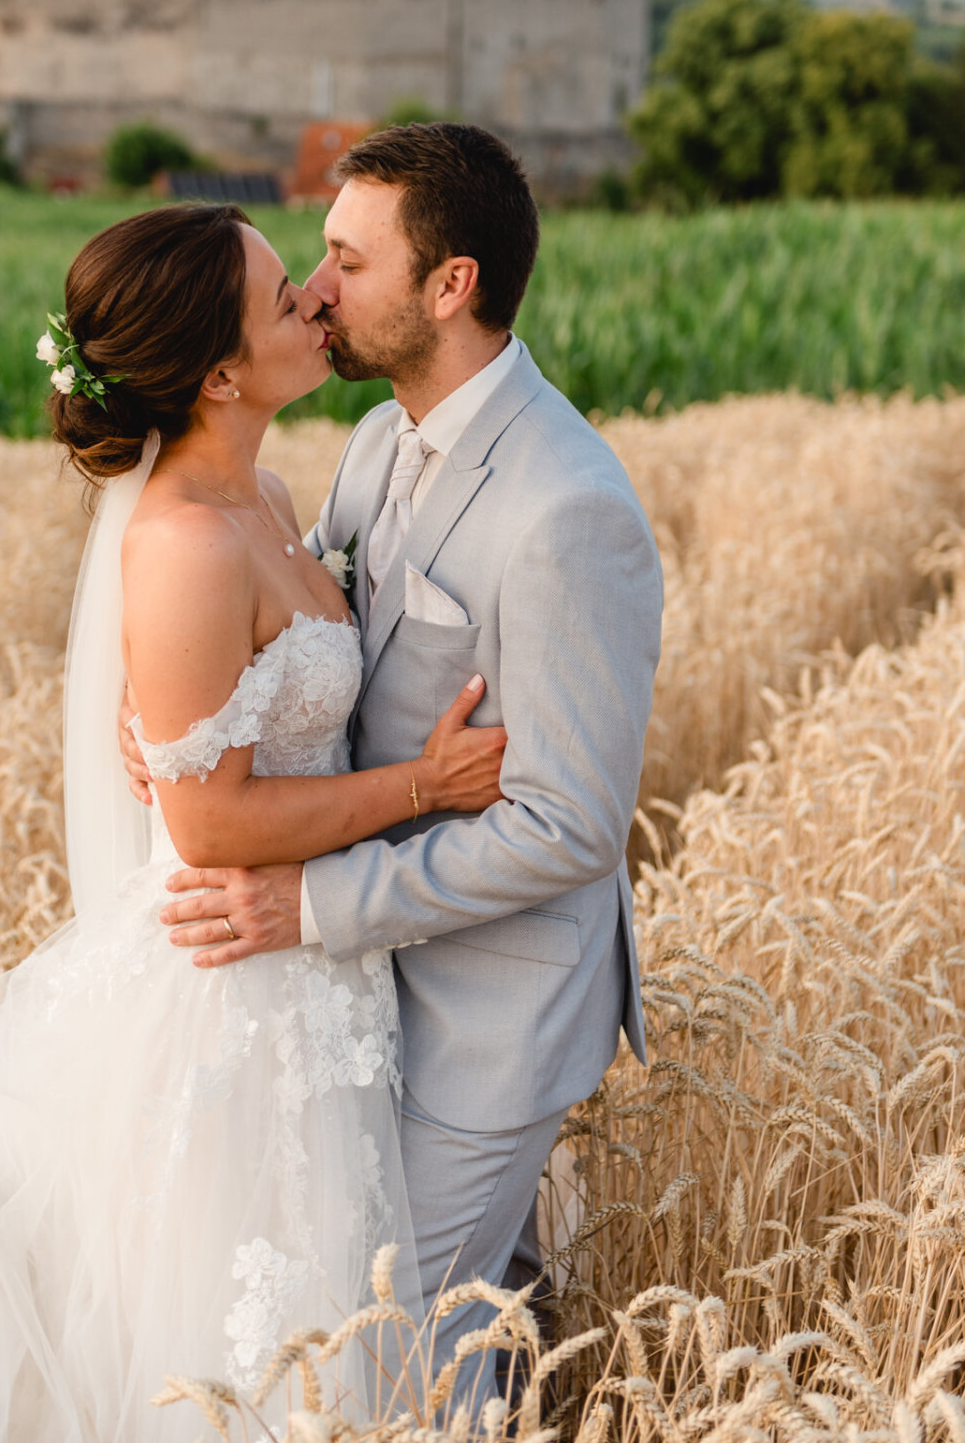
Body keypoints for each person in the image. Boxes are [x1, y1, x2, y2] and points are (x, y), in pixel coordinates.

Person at [0, 201, 508, 1442]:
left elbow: (246, 693)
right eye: (281, 299)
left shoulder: (262, 491)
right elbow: (209, 830)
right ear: (217, 372)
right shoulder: (187, 545)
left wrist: (163, 714)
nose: (315, 300)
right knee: (250, 1354)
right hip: (236, 992)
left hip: (316, 973)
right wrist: (425, 787)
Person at [130, 124, 664, 1402]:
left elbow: (568, 828)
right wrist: (165, 715)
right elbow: (288, 629)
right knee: (406, 1341)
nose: (315, 291)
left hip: (486, 1010)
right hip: (357, 1008)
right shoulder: (377, 442)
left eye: (345, 262)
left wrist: (308, 905)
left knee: (389, 1345)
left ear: (450, 286)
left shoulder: (568, 508)